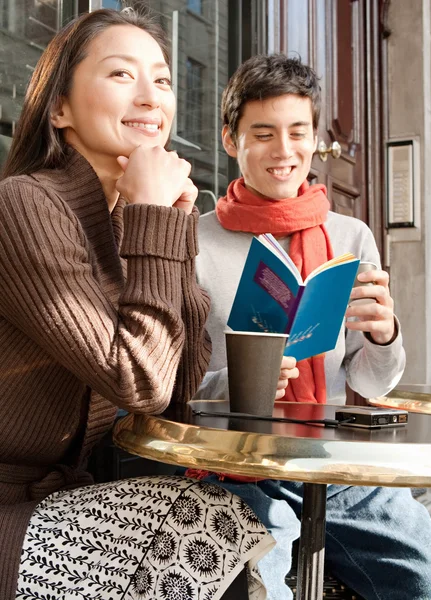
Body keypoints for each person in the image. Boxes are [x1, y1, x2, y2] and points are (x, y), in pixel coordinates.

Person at [0, 10, 275, 600]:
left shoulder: (128, 214)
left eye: (165, 79)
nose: (152, 96)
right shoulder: (24, 204)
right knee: (202, 526)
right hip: (10, 514)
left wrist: (172, 225)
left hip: (65, 498)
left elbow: (180, 386)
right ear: (59, 109)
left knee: (218, 525)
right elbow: (140, 381)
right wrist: (157, 220)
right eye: (122, 74)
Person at [194, 54, 431, 599]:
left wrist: (385, 335)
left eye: (298, 132)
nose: (284, 151)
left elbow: (371, 384)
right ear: (230, 139)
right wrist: (241, 385)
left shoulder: (350, 235)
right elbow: (170, 384)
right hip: (244, 470)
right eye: (263, 133)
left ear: (315, 138)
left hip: (345, 467)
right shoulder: (193, 243)